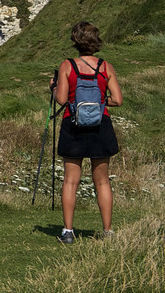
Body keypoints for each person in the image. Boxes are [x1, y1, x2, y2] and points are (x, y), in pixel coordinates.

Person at [54, 21, 124, 243]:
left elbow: (62, 100)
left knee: (70, 181)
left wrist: (54, 87)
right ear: (96, 42)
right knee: (102, 181)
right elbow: (118, 100)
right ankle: (107, 231)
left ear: (75, 41)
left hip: (73, 125)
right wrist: (100, 103)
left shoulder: (67, 66)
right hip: (100, 125)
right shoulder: (106, 67)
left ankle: (68, 232)